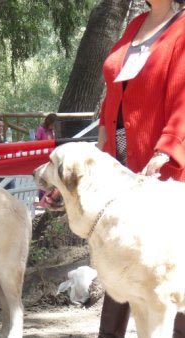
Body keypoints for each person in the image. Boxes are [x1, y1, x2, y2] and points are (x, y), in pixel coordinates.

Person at [96, 0, 185, 336]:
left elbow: (184, 96)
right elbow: (115, 83)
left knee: (169, 266)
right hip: (121, 164)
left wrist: (166, 150)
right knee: (121, 253)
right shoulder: (136, 24)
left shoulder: (182, 27)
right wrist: (103, 131)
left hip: (163, 166)